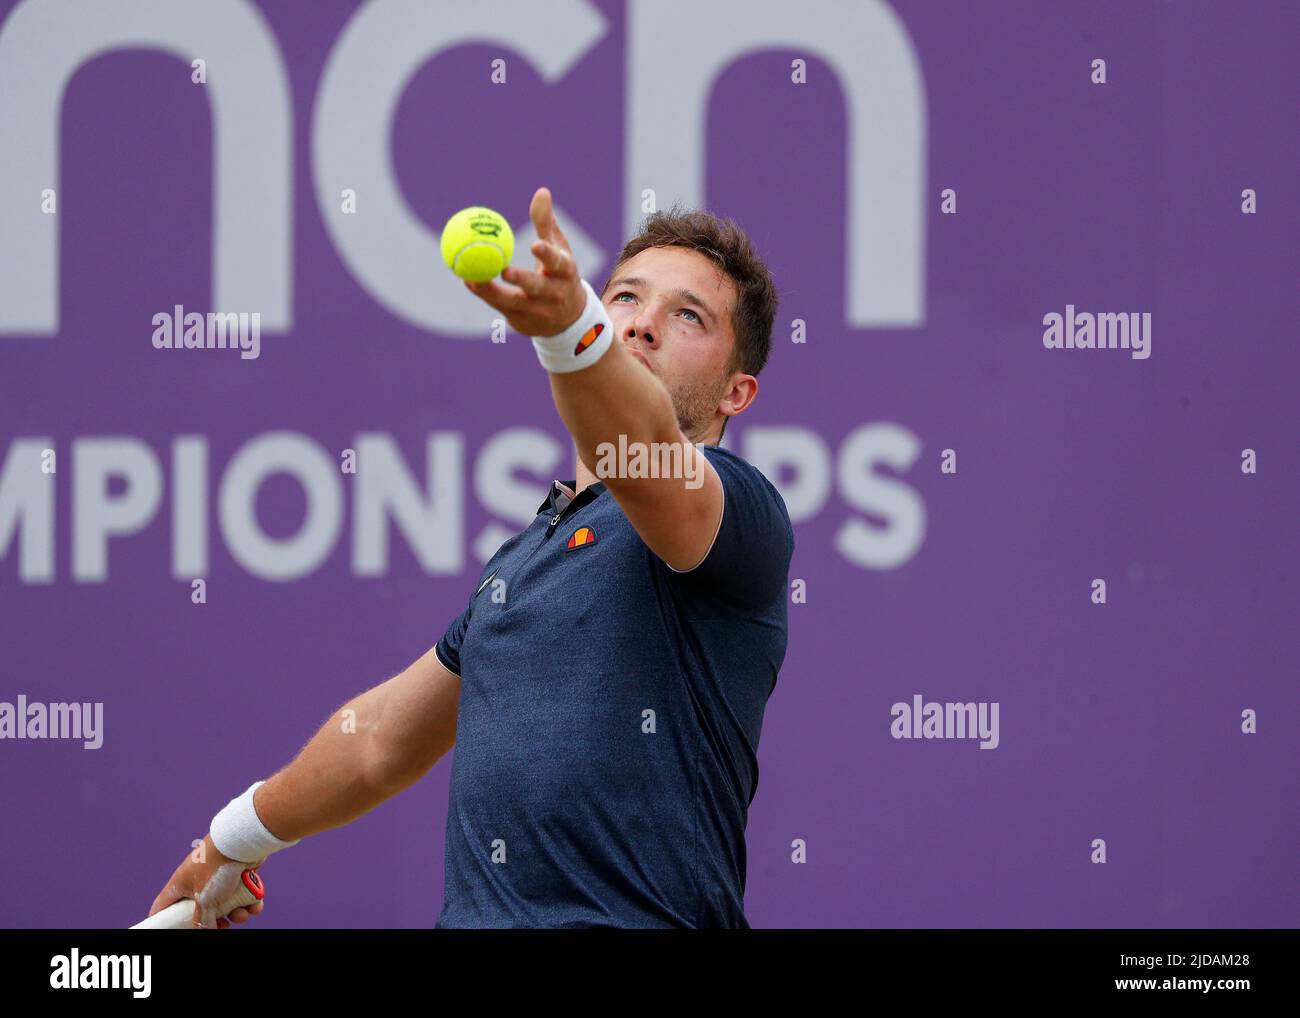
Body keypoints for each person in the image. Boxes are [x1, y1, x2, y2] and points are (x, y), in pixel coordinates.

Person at [149, 188, 793, 929]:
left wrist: (572, 332)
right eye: (624, 297)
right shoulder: (521, 563)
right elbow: (380, 741)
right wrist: (229, 843)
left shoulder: (740, 515)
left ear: (737, 392)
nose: (642, 324)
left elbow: (641, 450)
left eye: (688, 316)